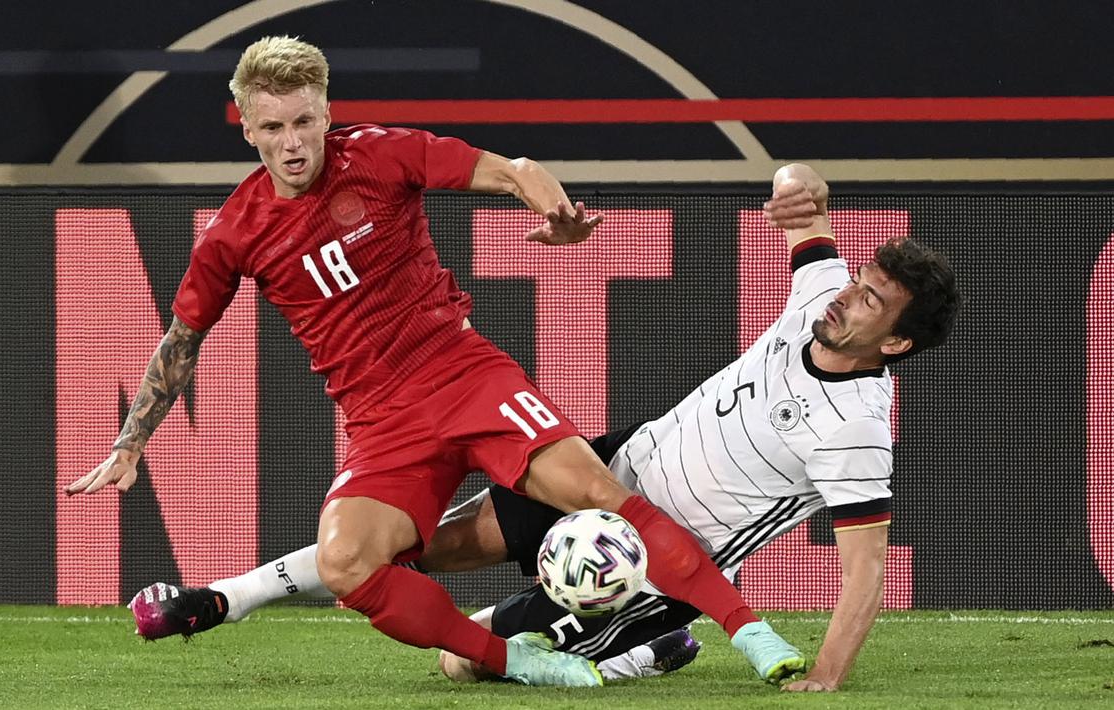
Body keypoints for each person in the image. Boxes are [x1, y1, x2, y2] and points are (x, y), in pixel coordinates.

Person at [63, 35, 804, 688]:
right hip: (382, 422)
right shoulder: (232, 234)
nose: (292, 143)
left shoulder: (381, 155)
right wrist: (131, 442)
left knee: (597, 492)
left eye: (303, 122)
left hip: (464, 375)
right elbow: (179, 342)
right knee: (350, 564)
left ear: (325, 114)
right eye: (272, 128)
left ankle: (751, 633)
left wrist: (555, 213)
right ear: (247, 129)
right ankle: (518, 661)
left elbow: (514, 168)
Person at [122, 163, 960, 692]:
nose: (848, 294)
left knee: (459, 664)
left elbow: (866, 572)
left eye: (871, 300)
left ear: (894, 342)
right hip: (618, 467)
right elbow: (796, 201)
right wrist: (796, 180)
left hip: (654, 566)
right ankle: (224, 598)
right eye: (859, 279)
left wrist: (828, 675)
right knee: (407, 545)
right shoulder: (822, 299)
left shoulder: (854, 429)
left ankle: (647, 648)